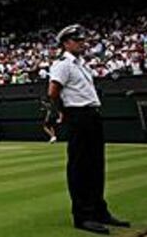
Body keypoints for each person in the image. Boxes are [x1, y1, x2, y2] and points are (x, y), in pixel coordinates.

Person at [48, 24, 130, 234]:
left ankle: (98, 211)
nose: (82, 44)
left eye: (82, 40)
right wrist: (64, 113)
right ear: (66, 43)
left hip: (92, 114)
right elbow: (53, 91)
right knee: (80, 166)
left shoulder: (82, 64)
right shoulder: (63, 64)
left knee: (96, 165)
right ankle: (82, 216)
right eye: (77, 40)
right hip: (77, 115)